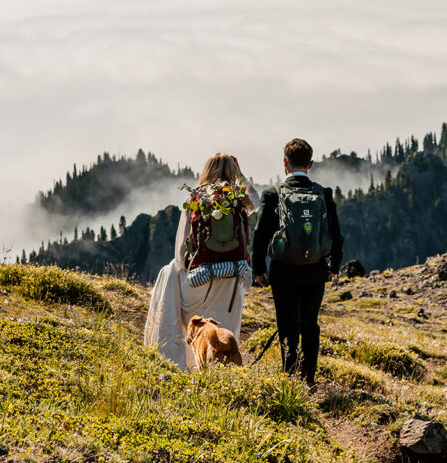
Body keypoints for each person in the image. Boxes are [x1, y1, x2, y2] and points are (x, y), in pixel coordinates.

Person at [144, 153, 260, 371]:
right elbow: (257, 200)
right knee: (225, 330)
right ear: (232, 172)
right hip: (230, 283)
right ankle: (222, 372)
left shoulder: (195, 198)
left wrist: (186, 274)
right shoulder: (237, 199)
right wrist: (241, 176)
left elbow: (180, 251)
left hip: (199, 282)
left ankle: (187, 369)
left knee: (192, 326)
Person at [252, 138, 343, 389]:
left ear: (285, 163)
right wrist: (334, 266)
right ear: (310, 164)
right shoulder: (323, 194)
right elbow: (335, 233)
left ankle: (290, 377)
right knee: (309, 323)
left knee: (287, 324)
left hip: (283, 270)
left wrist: (259, 269)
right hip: (315, 268)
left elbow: (260, 234)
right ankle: (309, 378)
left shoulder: (273, 194)